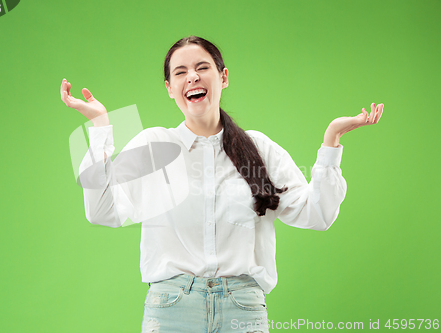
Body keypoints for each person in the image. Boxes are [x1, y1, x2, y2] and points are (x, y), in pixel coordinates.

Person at [60, 36, 384, 333]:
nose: (192, 77)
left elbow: (318, 215)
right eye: (180, 72)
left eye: (203, 68)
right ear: (170, 88)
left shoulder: (257, 150)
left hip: (242, 308)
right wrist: (101, 127)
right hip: (172, 309)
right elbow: (102, 211)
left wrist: (332, 141)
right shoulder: (154, 145)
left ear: (223, 77)